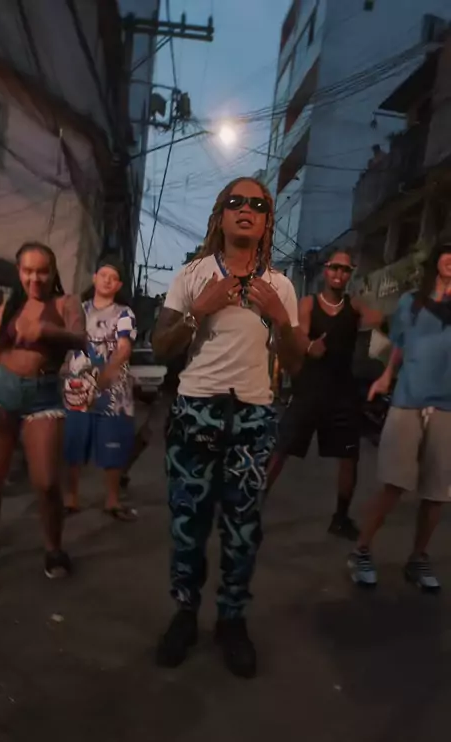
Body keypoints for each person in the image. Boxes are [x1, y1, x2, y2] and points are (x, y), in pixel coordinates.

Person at [152, 176, 304, 678]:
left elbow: (297, 364)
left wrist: (280, 318)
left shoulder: (280, 286)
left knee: (243, 533)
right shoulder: (193, 275)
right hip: (195, 411)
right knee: (187, 526)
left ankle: (232, 620)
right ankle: (184, 613)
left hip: (253, 418)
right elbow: (162, 346)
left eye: (257, 205)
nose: (246, 209)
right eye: (236, 201)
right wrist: (199, 311)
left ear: (266, 222)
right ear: (220, 215)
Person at [0, 241, 86, 579]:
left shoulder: (66, 303)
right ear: (19, 272)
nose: (35, 278)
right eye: (28, 271)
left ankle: (54, 548)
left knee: (47, 482)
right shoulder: (8, 307)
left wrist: (45, 330)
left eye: (42, 271)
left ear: (53, 273)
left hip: (42, 397)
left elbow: (82, 339)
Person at [348, 239, 451, 592]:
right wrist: (386, 376)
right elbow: (400, 347)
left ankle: (418, 559)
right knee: (394, 484)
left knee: (437, 493)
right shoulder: (412, 302)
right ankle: (361, 550)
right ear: (437, 260)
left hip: (447, 408)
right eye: (448, 253)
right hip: (409, 401)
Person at [267, 248, 383, 539]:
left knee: (349, 457)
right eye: (334, 268)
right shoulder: (309, 303)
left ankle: (340, 518)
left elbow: (380, 320)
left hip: (343, 392)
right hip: (310, 389)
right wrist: (309, 347)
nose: (339, 274)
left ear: (350, 274)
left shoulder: (354, 306)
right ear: (325, 270)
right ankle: (250, 509)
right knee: (281, 450)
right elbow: (299, 332)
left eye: (345, 269)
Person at [63, 257, 137, 520]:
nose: (107, 280)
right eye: (103, 275)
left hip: (113, 392)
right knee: (73, 445)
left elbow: (124, 347)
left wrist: (107, 373)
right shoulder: (78, 311)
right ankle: (70, 499)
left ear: (119, 285)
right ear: (94, 278)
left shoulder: (124, 314)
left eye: (113, 278)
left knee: (113, 448)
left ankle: (112, 501)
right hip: (77, 390)